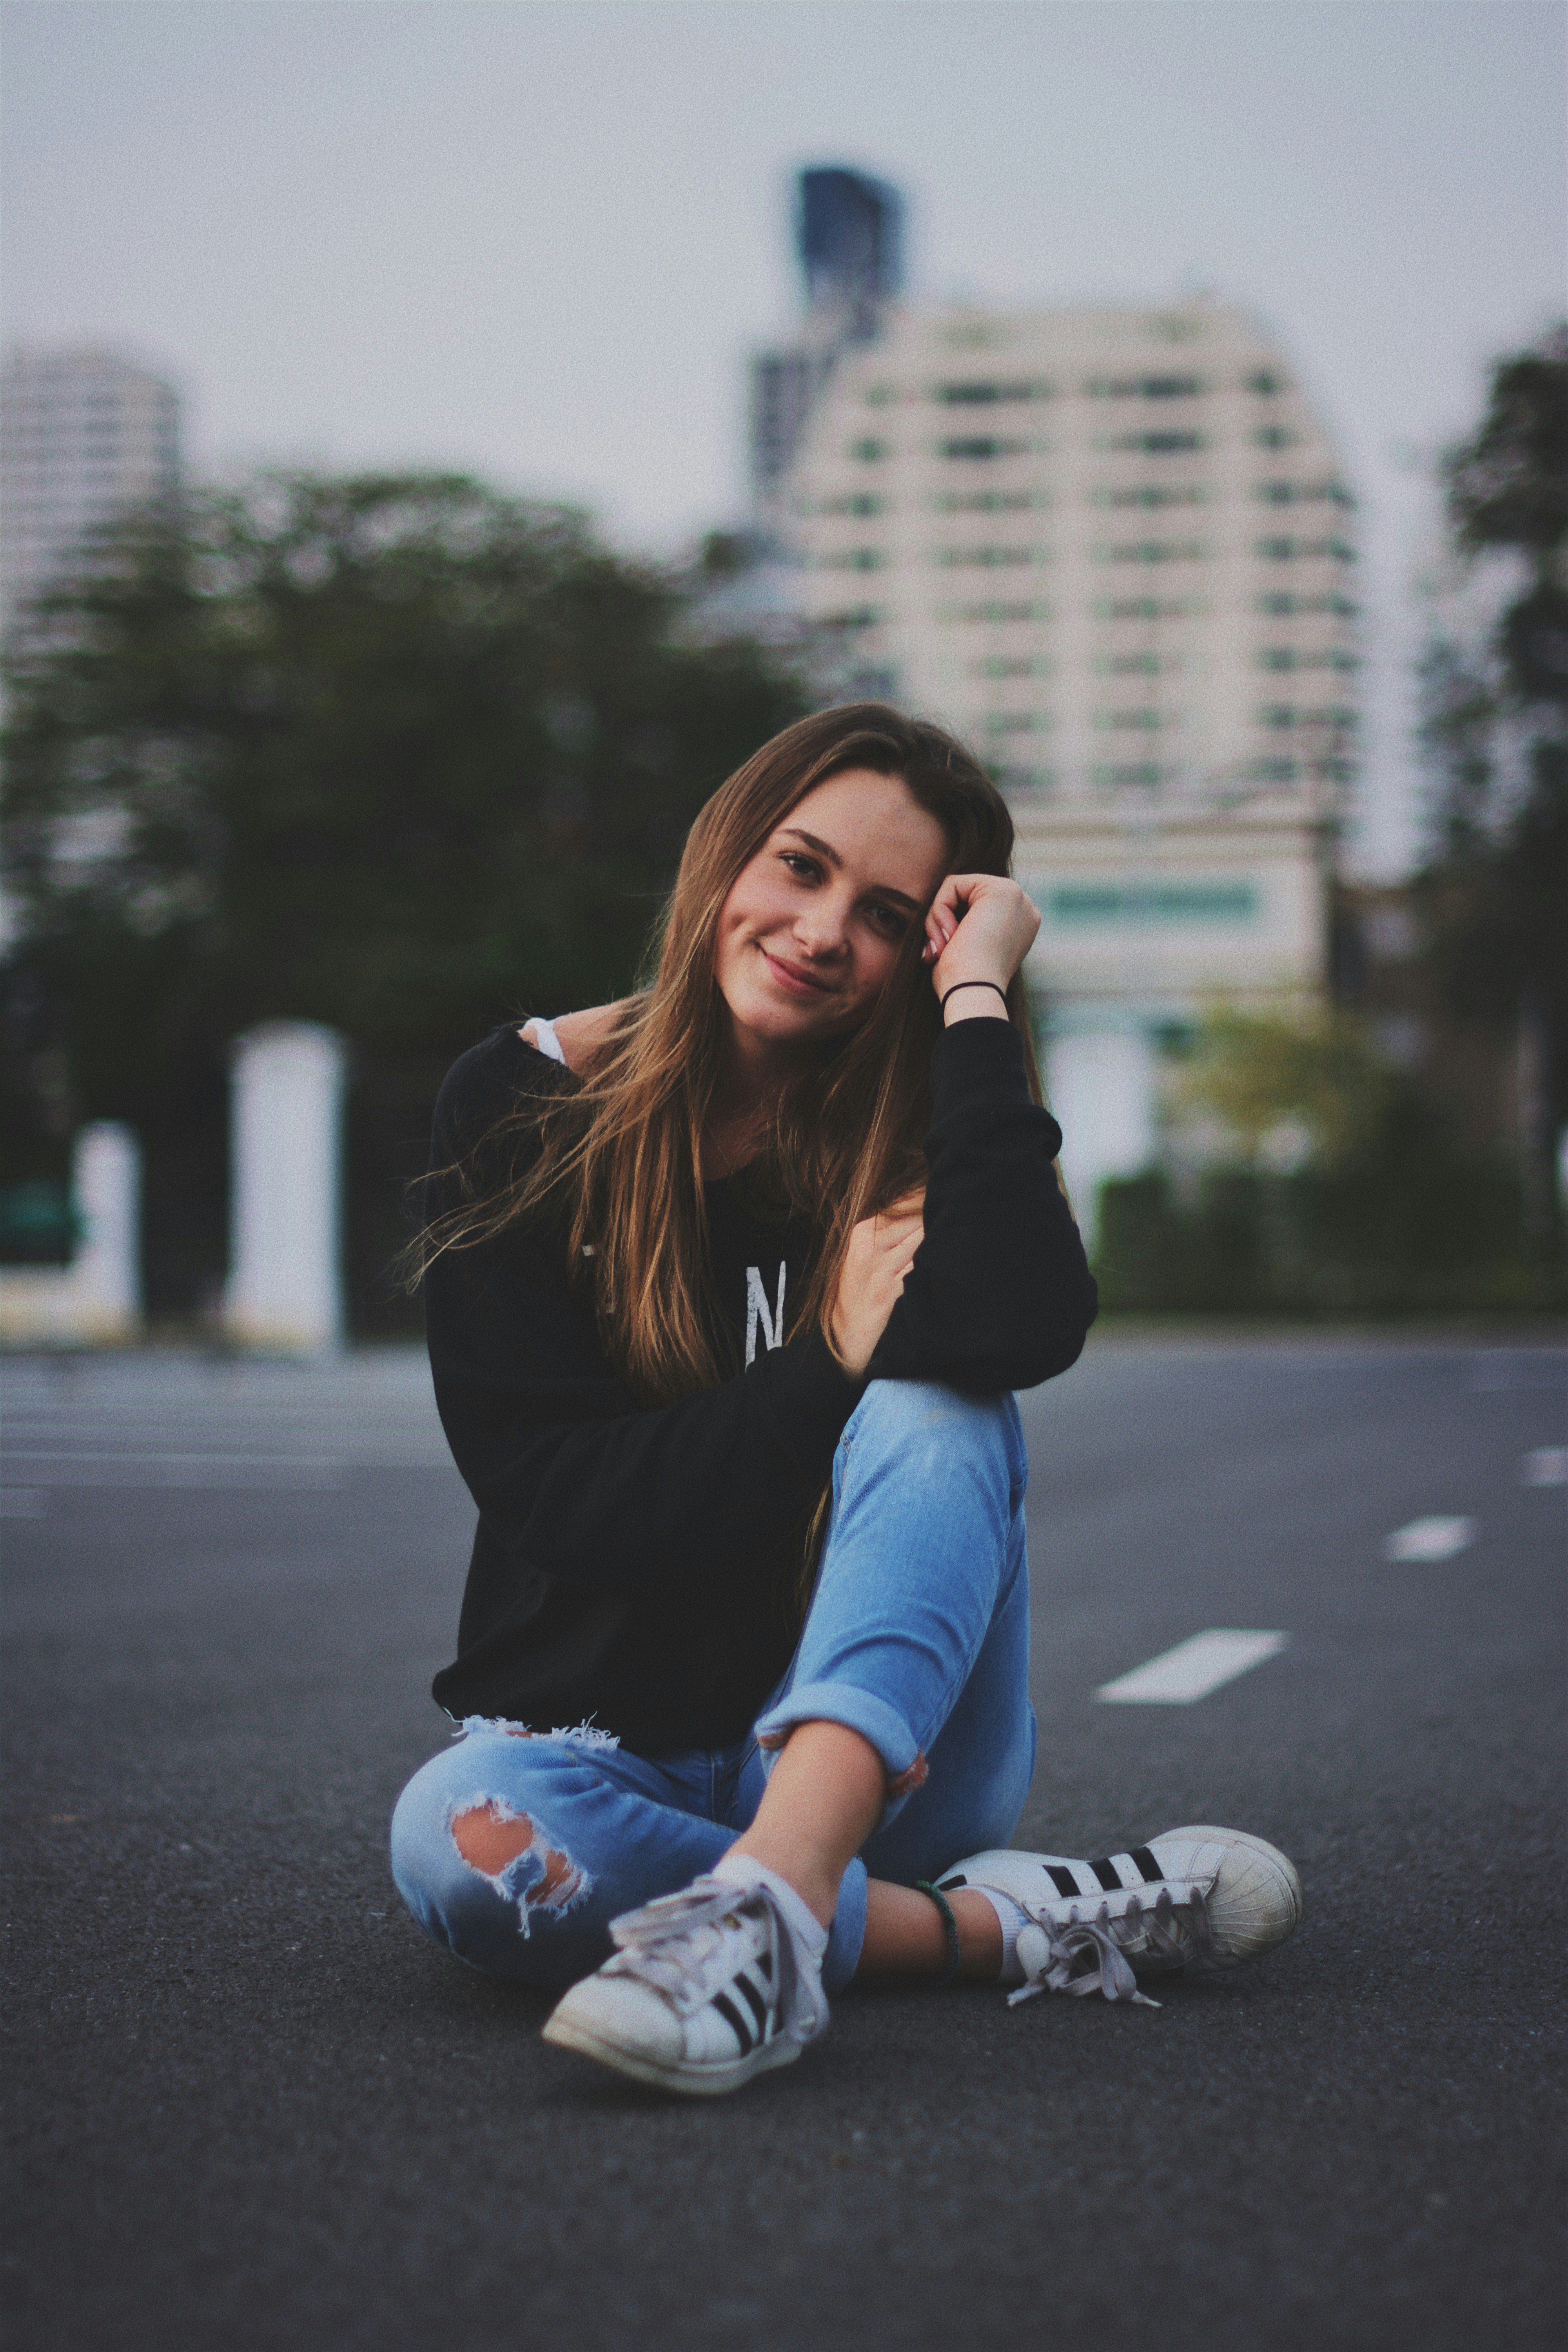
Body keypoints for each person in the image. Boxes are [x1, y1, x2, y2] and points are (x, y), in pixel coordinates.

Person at [390, 705, 1303, 2098]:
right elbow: (562, 1505)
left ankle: (768, 1913)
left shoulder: (905, 1141)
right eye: (800, 868)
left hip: (880, 1765)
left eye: (885, 915)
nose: (822, 932)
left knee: (940, 1405)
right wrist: (822, 1353)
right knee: (458, 1839)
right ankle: (991, 1927)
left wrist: (982, 1000)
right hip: (596, 1750)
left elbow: (1024, 1330)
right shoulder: (526, 1108)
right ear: (725, 860)